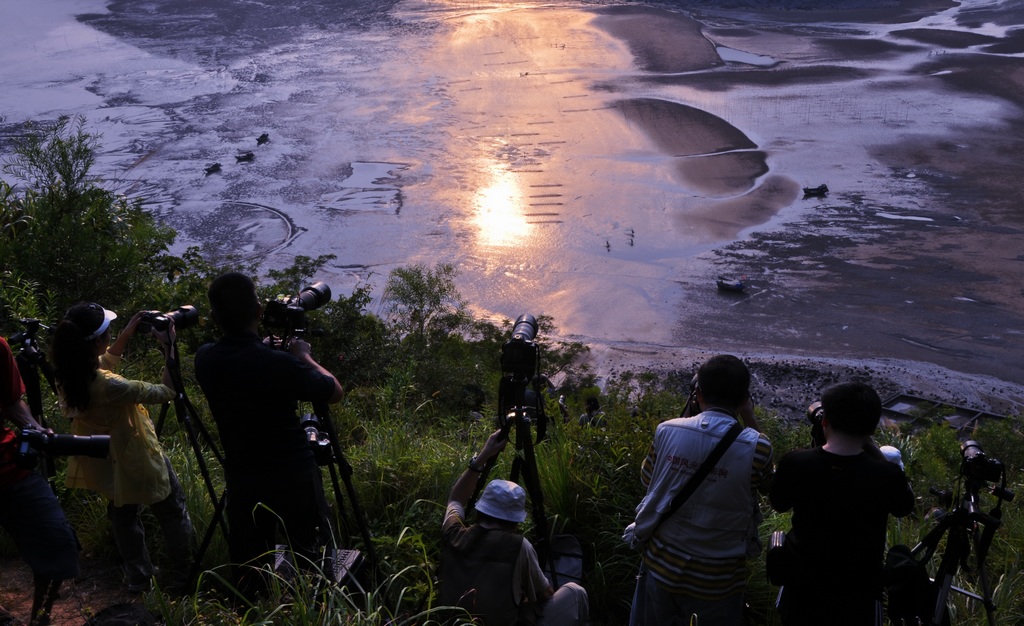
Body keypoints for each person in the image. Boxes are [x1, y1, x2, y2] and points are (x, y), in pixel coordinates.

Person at [194, 272, 343, 591]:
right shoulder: (280, 365)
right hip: (293, 475)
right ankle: (315, 608)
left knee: (249, 567)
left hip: (243, 479)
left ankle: (251, 611)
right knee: (311, 559)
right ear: (259, 312)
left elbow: (243, 364)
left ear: (215, 317)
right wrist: (303, 356)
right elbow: (333, 390)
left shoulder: (205, 359)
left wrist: (267, 350)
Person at [52, 303, 194, 593]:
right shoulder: (111, 385)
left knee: (123, 517)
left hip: (107, 461)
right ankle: (185, 575)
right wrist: (170, 348)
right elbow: (166, 392)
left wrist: (126, 335)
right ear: (97, 341)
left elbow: (103, 361)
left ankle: (139, 577)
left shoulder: (68, 375)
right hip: (137, 456)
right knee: (172, 510)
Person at [625, 354, 774, 626]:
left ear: (698, 393)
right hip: (718, 579)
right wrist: (749, 417)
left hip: (661, 565)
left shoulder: (666, 430)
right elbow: (768, 488)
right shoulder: (758, 447)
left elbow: (649, 480)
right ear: (744, 398)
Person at [769, 382, 915, 626]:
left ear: (824, 421)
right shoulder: (886, 475)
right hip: (859, 594)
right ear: (871, 429)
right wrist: (875, 452)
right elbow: (904, 506)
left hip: (801, 587)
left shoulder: (796, 463)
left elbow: (778, 503)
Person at [441, 429, 589, 626]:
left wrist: (485, 454)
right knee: (575, 592)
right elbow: (545, 594)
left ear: (480, 510)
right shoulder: (519, 546)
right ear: (515, 522)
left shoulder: (453, 533)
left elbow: (456, 499)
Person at [0, 337, 80, 625]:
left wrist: (36, 430)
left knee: (58, 541)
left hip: (7, 466)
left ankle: (40, 619)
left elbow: (10, 401)